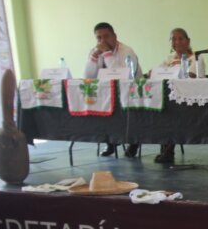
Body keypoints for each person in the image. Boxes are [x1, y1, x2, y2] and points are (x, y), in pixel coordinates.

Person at [84, 22, 138, 157]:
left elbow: (119, 75)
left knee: (121, 106)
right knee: (97, 103)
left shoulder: (127, 51)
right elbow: (88, 76)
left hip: (131, 91)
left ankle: (134, 141)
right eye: (99, 38)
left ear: (114, 36)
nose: (102, 41)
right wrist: (94, 57)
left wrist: (107, 54)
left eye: (106, 36)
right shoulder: (95, 51)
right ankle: (109, 141)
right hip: (107, 92)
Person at [150, 27, 199, 164]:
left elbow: (193, 76)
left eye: (180, 38)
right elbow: (158, 72)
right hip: (170, 99)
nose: (176, 42)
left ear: (188, 41)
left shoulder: (195, 58)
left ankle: (167, 151)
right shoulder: (169, 59)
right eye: (173, 39)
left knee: (171, 113)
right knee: (161, 111)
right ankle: (165, 150)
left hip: (189, 100)